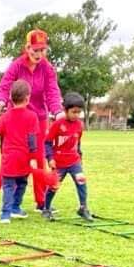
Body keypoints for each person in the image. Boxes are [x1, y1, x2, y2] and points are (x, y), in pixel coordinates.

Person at [0, 29, 63, 211]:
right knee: (13, 158)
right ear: (27, 47)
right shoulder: (17, 65)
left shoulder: (47, 68)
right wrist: (1, 100)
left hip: (37, 120)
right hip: (15, 118)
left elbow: (52, 91)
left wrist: (57, 111)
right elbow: (5, 84)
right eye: (35, 50)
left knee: (38, 159)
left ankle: (41, 202)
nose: (39, 54)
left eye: (42, 50)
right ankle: (12, 203)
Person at [43, 92, 92, 221]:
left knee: (81, 182)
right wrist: (50, 158)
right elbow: (47, 142)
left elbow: (78, 143)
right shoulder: (57, 125)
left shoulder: (79, 126)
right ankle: (46, 208)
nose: (76, 115)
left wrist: (80, 158)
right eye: (74, 112)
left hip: (74, 161)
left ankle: (83, 208)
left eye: (79, 112)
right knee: (54, 186)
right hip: (59, 162)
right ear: (65, 110)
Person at [0, 80, 39, 223]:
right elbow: (32, 138)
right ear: (27, 98)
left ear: (11, 98)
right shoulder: (32, 116)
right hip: (23, 157)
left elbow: (0, 133)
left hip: (8, 157)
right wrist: (33, 156)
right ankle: (15, 207)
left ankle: (5, 214)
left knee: (7, 185)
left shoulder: (5, 117)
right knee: (22, 183)